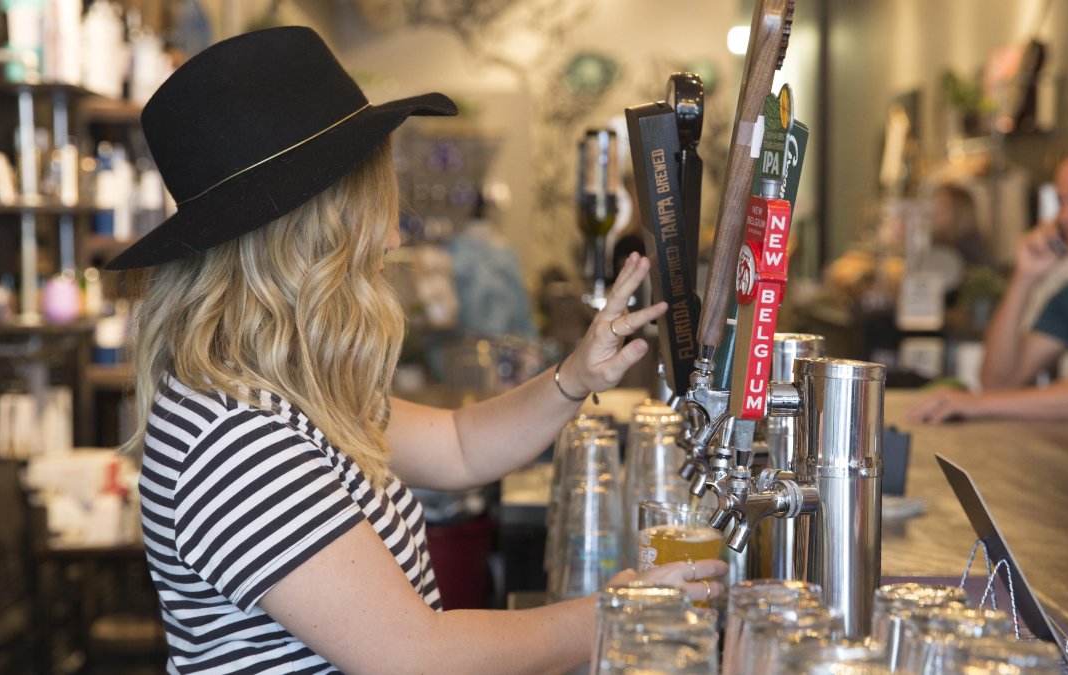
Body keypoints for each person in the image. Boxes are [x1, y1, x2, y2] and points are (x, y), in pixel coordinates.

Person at [108, 27, 727, 673]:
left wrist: (574, 375)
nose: (392, 231)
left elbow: (460, 446)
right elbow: (416, 656)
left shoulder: (290, 389)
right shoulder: (235, 436)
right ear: (316, 232)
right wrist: (621, 611)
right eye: (375, 199)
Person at [907, 148, 1068, 444]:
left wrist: (977, 404)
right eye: (1061, 202)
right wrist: (1025, 277)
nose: (1064, 217)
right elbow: (999, 383)